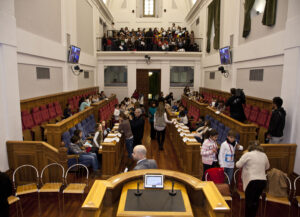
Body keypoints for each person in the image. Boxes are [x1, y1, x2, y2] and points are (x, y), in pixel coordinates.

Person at [236, 141, 269, 217]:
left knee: (249, 202)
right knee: (255, 200)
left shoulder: (247, 154)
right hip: (262, 181)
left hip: (251, 181)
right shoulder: (264, 155)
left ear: (250, 147)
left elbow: (238, 165)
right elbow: (267, 167)